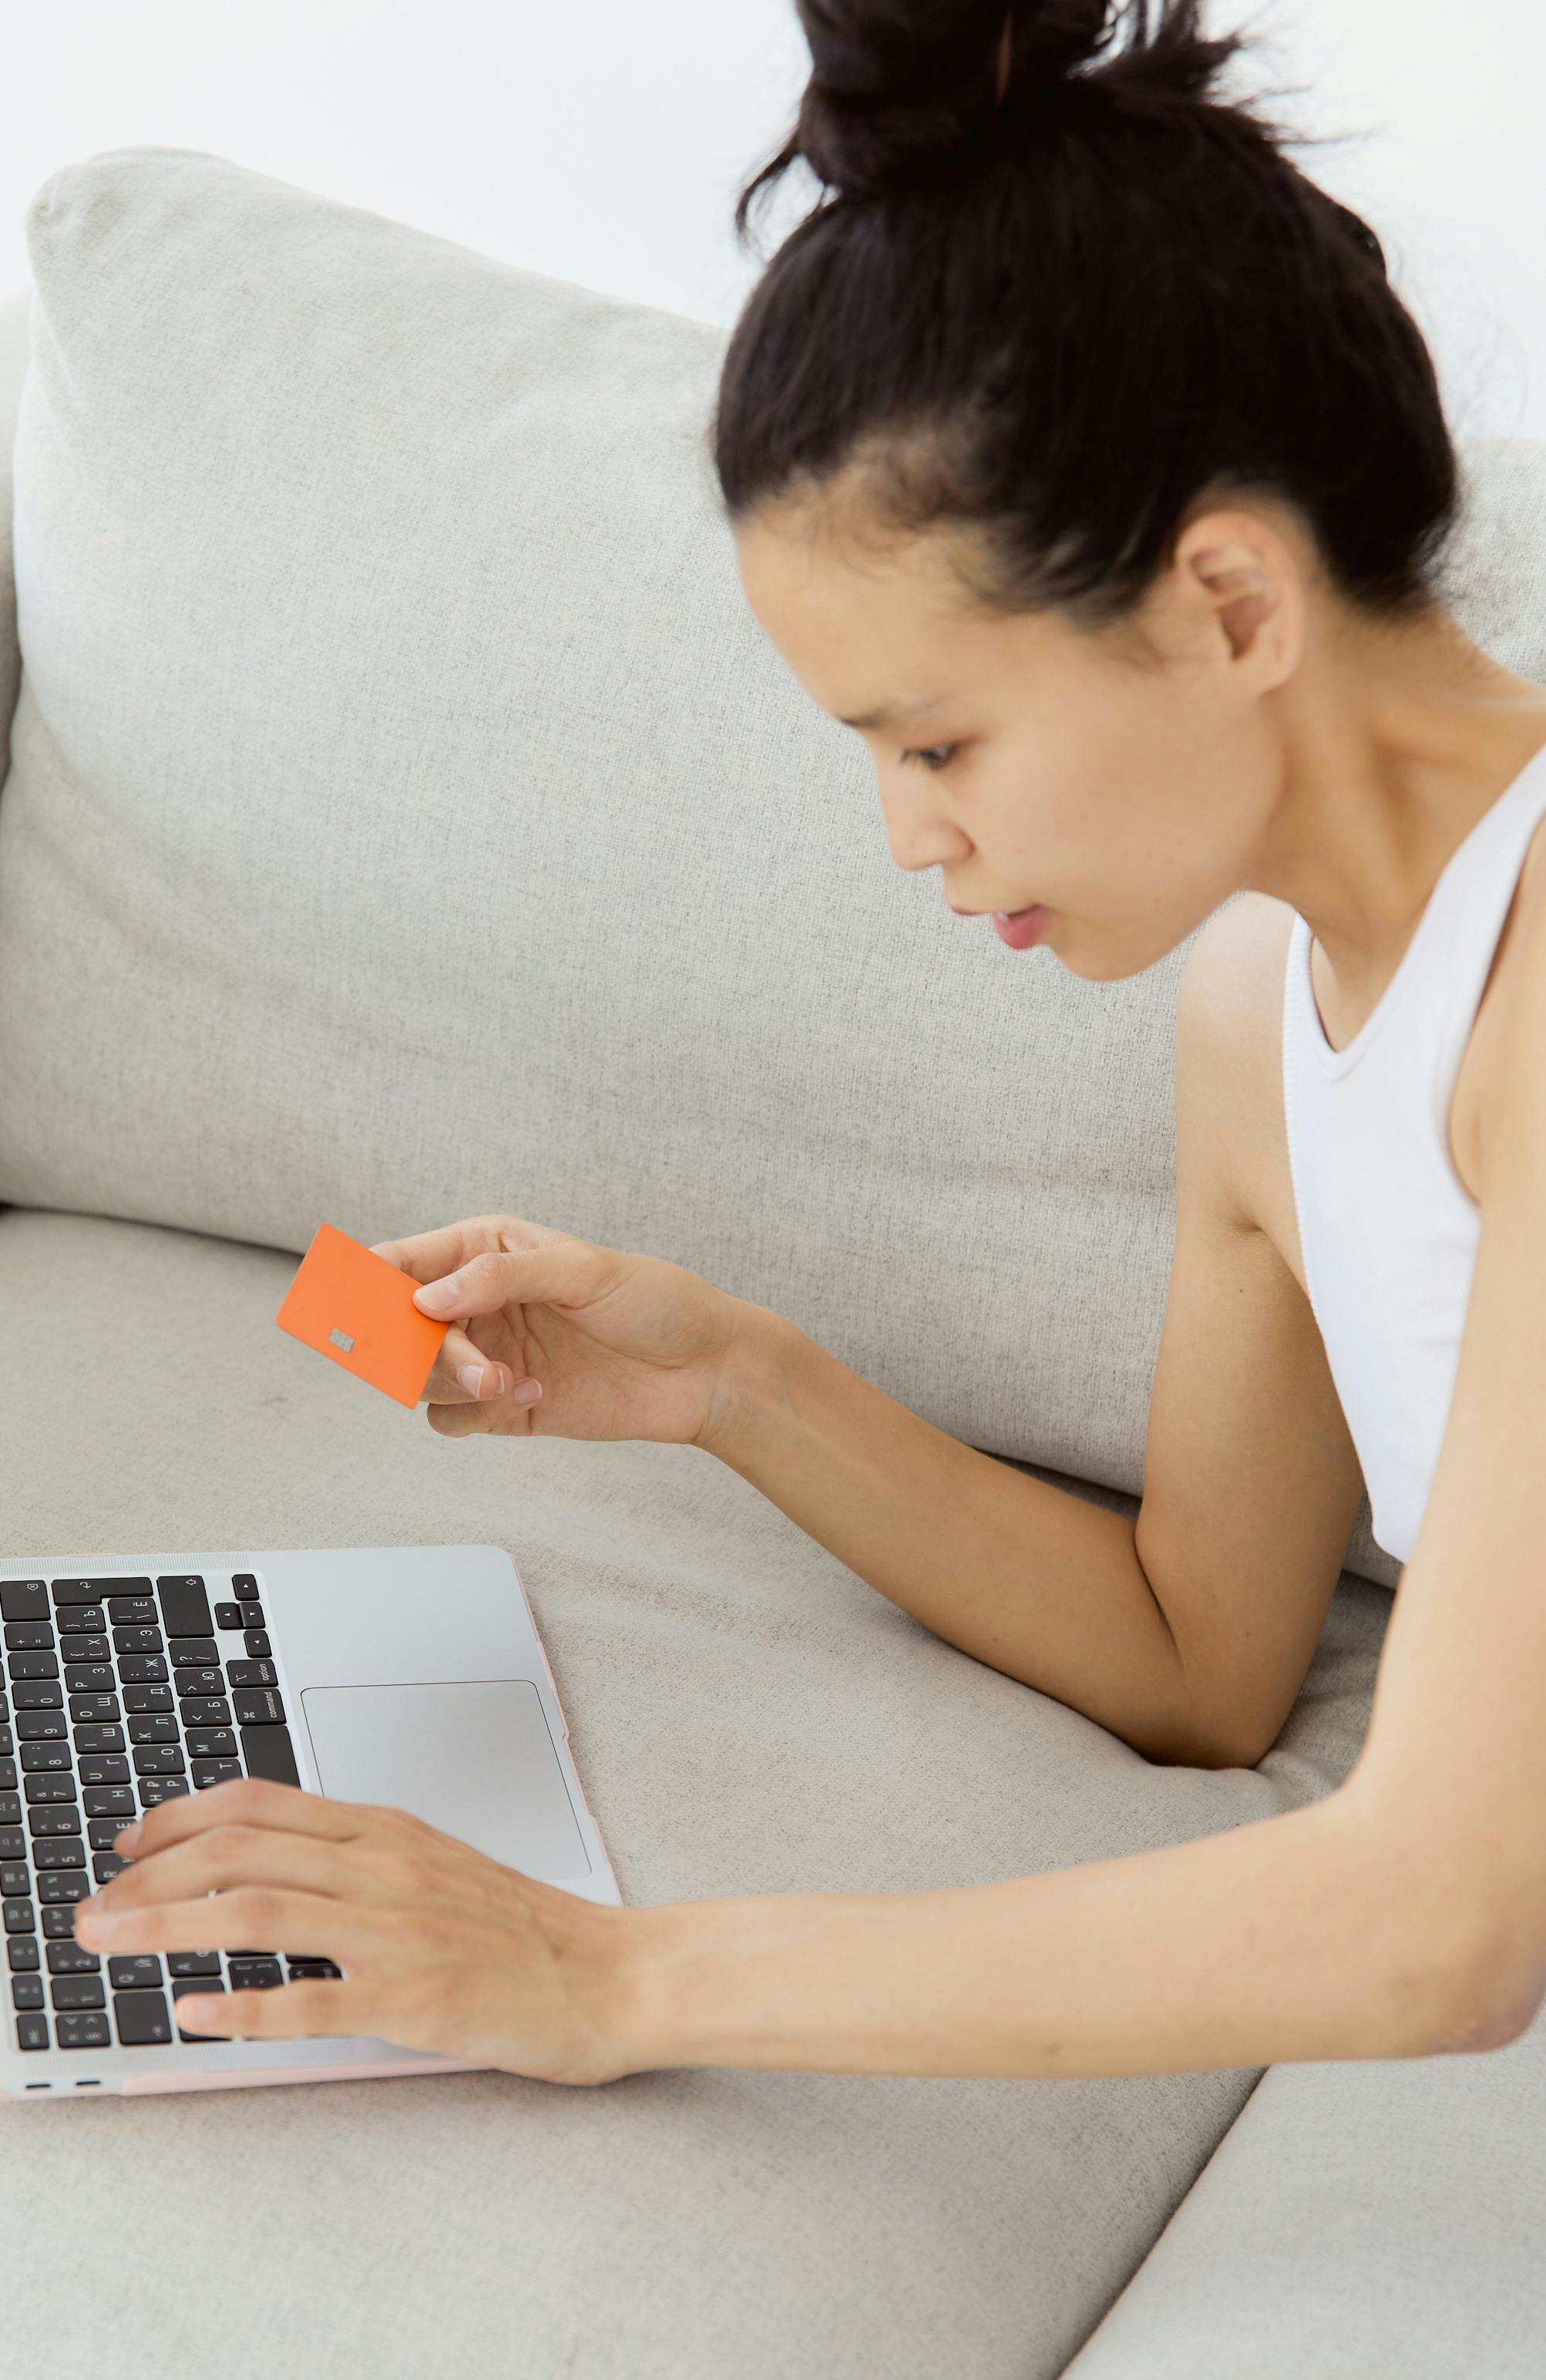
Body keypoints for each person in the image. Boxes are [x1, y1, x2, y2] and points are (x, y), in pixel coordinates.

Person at [76, 0, 1546, 2083]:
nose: (907, 836)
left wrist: (618, 1977)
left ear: (1231, 604)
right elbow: (1201, 1660)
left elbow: (1439, 1924)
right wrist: (733, 1381)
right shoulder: (1259, 999)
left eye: (937, 739)